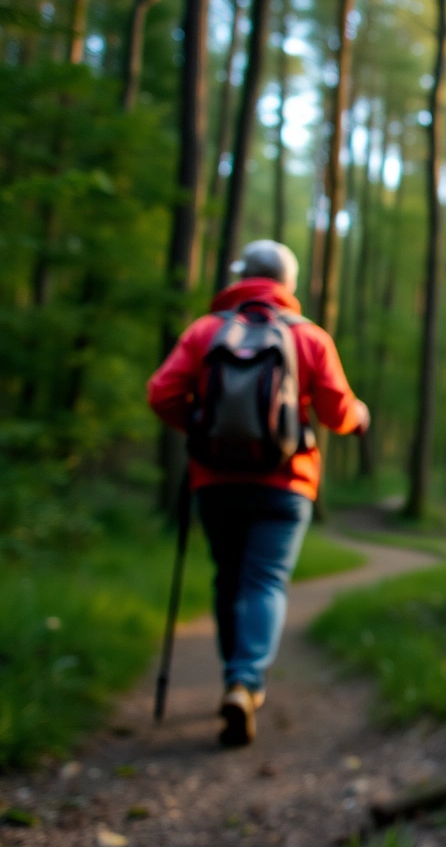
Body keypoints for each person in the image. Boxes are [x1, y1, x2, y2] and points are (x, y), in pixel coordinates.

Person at [147, 241, 369, 747]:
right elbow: (338, 412)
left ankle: (234, 676)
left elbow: (161, 393)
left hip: (215, 481)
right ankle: (247, 683)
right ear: (287, 284)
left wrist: (199, 432)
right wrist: (360, 418)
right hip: (285, 485)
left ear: (242, 276)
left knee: (228, 578)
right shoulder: (309, 336)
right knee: (264, 580)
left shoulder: (205, 332)